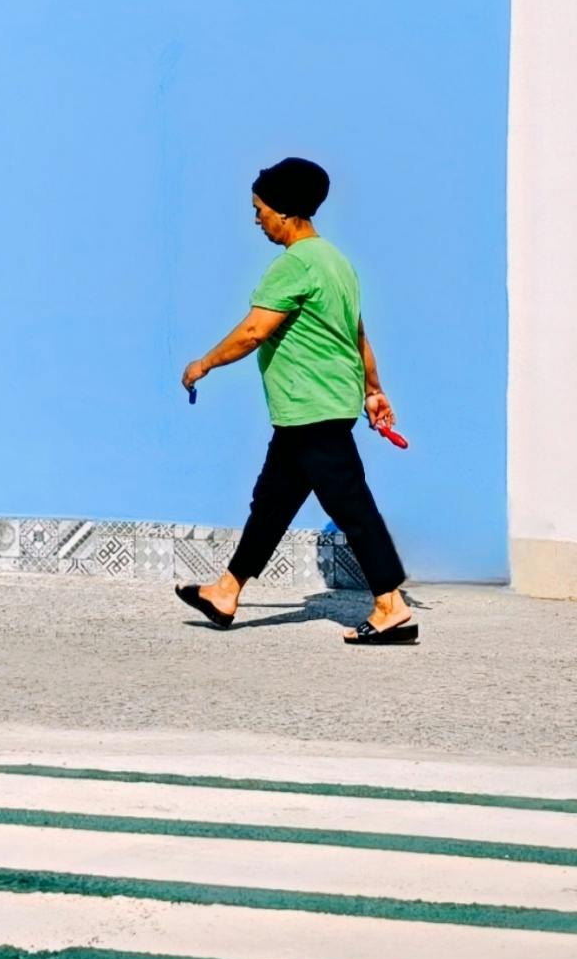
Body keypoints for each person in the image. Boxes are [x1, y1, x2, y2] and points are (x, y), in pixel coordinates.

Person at [172, 156, 416, 645]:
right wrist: (373, 389)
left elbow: (254, 332)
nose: (257, 219)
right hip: (311, 409)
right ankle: (227, 591)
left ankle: (391, 605)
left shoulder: (293, 266)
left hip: (312, 408)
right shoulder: (337, 263)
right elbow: (357, 334)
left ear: (284, 212)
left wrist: (204, 364)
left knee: (352, 506)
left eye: (259, 209)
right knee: (272, 504)